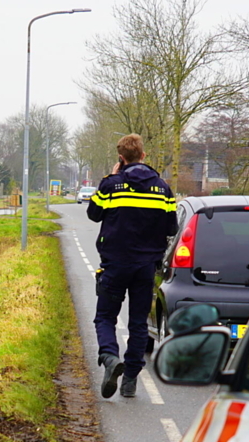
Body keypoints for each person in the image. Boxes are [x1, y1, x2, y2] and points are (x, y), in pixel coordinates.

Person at [87, 134, 177, 398]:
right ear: (144, 156)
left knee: (105, 316)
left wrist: (108, 179)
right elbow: (172, 227)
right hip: (146, 267)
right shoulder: (163, 188)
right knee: (138, 323)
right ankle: (130, 381)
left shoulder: (112, 185)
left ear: (121, 158)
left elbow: (93, 214)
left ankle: (110, 357)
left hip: (115, 264)